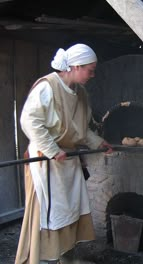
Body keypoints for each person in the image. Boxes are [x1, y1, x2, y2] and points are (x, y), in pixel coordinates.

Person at [15, 43, 112, 264]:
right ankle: (37, 258)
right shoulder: (47, 87)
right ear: (76, 66)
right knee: (47, 213)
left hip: (68, 160)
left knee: (71, 210)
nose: (92, 75)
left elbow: (81, 129)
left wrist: (99, 142)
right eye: (90, 70)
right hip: (47, 162)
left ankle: (65, 258)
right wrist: (52, 149)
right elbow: (29, 121)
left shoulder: (81, 93)